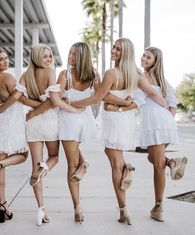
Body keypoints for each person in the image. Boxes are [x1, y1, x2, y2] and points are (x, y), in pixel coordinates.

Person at [71, 38, 169, 225]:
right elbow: (153, 93)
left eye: (118, 49)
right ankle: (127, 168)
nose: (114, 50)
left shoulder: (112, 73)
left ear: (125, 53)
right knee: (114, 155)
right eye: (114, 47)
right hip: (126, 121)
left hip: (112, 119)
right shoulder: (136, 75)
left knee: (115, 165)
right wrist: (167, 108)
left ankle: (124, 211)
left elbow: (97, 98)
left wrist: (73, 104)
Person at [106, 46, 187, 222]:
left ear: (155, 61)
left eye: (148, 57)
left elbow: (138, 100)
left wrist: (118, 107)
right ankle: (172, 162)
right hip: (165, 122)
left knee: (157, 164)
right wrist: (167, 121)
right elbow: (172, 103)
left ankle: (159, 207)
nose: (143, 59)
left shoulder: (141, 78)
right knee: (153, 159)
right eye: (143, 55)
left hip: (154, 122)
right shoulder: (164, 81)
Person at [20, 44, 83, 226]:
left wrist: (32, 112)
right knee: (54, 156)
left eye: (49, 56)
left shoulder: (26, 75)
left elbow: (21, 98)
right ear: (36, 57)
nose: (48, 60)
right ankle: (44, 169)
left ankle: (41, 210)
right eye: (44, 56)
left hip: (32, 123)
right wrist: (39, 109)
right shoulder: (49, 72)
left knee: (35, 167)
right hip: (48, 121)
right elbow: (52, 103)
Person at [0, 47, 29, 223]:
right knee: (23, 155)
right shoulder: (7, 77)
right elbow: (18, 97)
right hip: (12, 123)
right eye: (1, 59)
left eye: (6, 58)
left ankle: (3, 206)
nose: (5, 61)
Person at [56, 42, 100, 223]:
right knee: (74, 163)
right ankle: (84, 163)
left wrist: (71, 103)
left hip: (71, 119)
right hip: (84, 119)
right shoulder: (93, 76)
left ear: (81, 57)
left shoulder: (66, 75)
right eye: (70, 52)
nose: (69, 56)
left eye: (74, 54)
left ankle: (77, 206)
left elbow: (56, 99)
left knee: (71, 164)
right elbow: (97, 98)